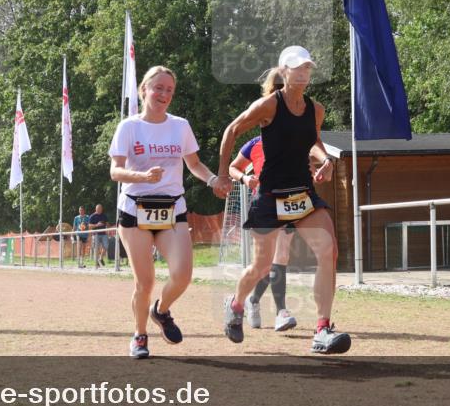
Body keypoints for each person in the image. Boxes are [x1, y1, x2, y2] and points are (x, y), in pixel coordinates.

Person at [216, 46, 350, 354]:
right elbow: (232, 129)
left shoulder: (315, 109)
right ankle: (235, 304)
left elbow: (314, 140)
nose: (303, 73)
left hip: (302, 194)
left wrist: (325, 160)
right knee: (262, 265)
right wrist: (224, 175)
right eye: (297, 68)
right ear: (284, 71)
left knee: (328, 252)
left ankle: (322, 329)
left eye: (307, 68)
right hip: (270, 196)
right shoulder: (268, 106)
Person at [110, 65, 229, 358]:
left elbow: (194, 164)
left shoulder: (180, 126)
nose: (164, 94)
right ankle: (139, 336)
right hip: (134, 210)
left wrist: (213, 179)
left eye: (169, 90)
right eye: (158, 88)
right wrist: (142, 177)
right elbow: (115, 171)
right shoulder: (129, 126)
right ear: (144, 90)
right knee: (145, 281)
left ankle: (160, 311)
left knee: (182, 274)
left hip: (172, 208)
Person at [228, 69, 297, 332]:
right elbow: (234, 167)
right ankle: (251, 300)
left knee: (282, 256)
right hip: (265, 201)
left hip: (291, 200)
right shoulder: (254, 143)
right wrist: (244, 179)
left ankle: (280, 311)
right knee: (264, 263)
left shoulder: (295, 139)